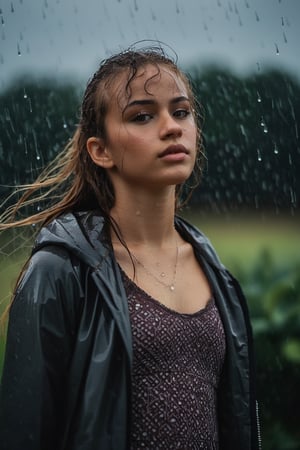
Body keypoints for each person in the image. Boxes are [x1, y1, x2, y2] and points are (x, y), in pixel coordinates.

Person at [0, 44, 261, 450]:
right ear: (99, 151)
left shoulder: (219, 277)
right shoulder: (60, 273)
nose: (172, 127)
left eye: (181, 111)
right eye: (142, 116)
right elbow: (25, 431)